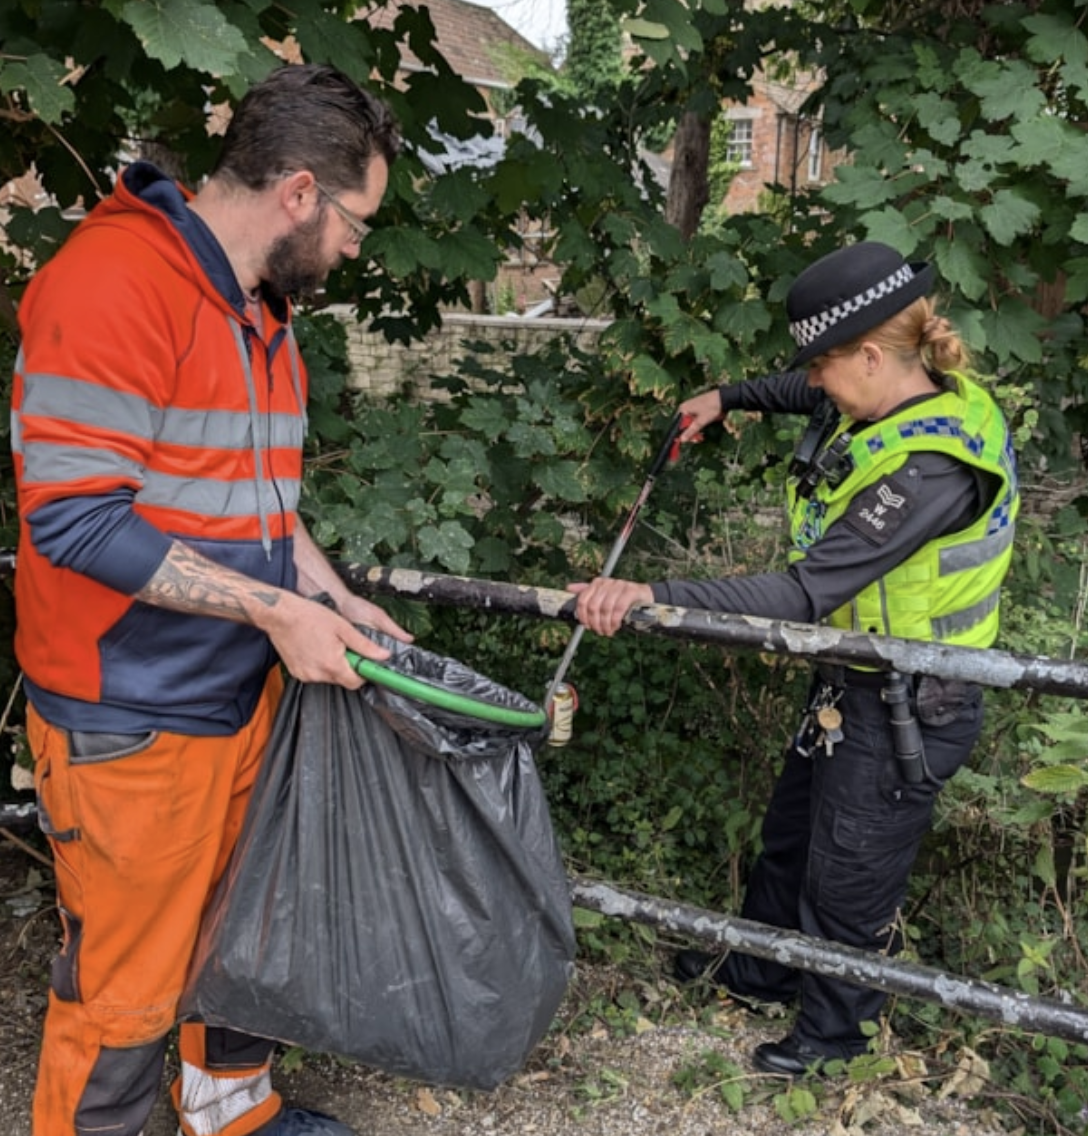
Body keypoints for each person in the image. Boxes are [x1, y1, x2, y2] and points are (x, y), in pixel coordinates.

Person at [11, 63, 411, 1136]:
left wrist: (332, 594)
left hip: (237, 696)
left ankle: (229, 1112)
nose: (354, 249)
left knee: (238, 938)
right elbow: (75, 520)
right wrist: (283, 614)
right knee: (124, 986)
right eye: (355, 223)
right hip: (129, 709)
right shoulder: (111, 284)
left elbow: (262, 505)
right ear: (296, 194)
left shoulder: (260, 313)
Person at [570, 241, 1020, 1075]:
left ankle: (830, 1040)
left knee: (849, 873)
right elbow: (798, 394)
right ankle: (759, 971)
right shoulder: (881, 397)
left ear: (872, 356)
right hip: (850, 679)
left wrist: (650, 593)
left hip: (914, 700)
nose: (812, 382)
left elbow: (805, 593)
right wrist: (725, 398)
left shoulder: (930, 468)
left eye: (823, 365)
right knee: (793, 838)